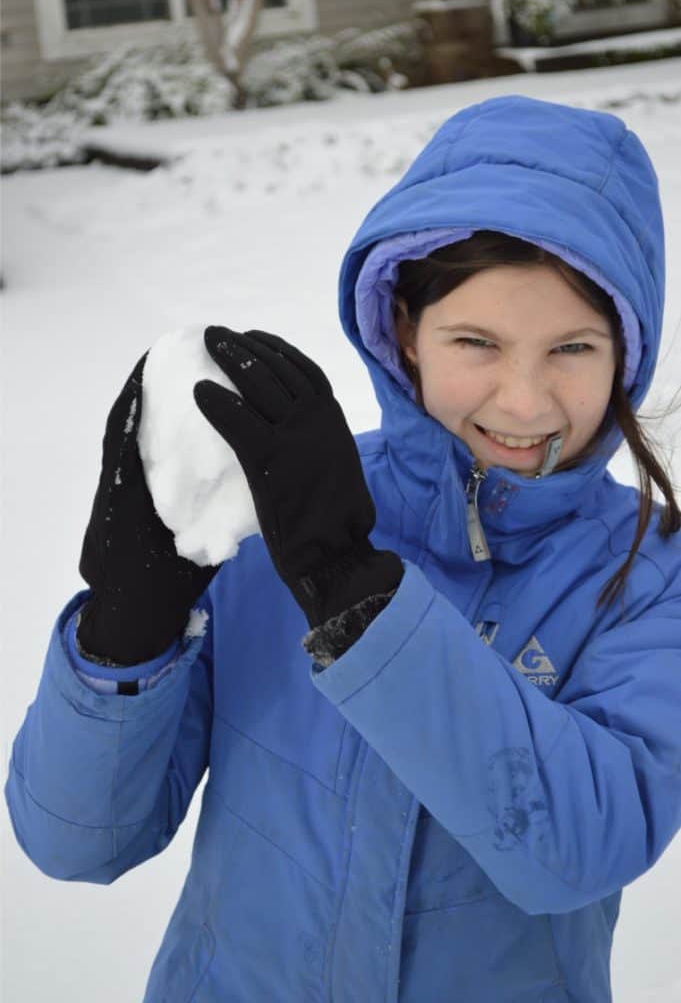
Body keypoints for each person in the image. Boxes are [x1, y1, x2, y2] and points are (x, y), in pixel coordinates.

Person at [5, 94, 681, 1003]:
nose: (524, 402)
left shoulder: (644, 574)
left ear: (625, 352)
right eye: (475, 341)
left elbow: (580, 847)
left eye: (571, 347)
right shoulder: (277, 516)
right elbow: (78, 841)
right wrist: (128, 628)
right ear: (404, 328)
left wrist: (354, 593)